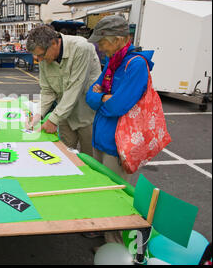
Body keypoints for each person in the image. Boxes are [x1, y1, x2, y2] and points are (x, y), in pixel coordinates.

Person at [85, 15, 154, 244]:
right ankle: (108, 241)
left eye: (102, 42)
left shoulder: (135, 65)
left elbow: (118, 105)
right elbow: (90, 96)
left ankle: (116, 250)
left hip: (118, 144)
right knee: (105, 193)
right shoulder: (113, 63)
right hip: (102, 138)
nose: (99, 47)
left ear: (116, 40)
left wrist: (101, 97)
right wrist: (104, 97)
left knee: (116, 199)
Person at [25, 24, 101, 156]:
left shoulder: (81, 48)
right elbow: (47, 90)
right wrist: (38, 115)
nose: (40, 60)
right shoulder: (43, 57)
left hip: (88, 115)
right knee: (64, 156)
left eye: (42, 55)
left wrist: (53, 120)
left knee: (91, 160)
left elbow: (75, 88)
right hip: (65, 115)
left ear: (54, 43)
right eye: (37, 57)